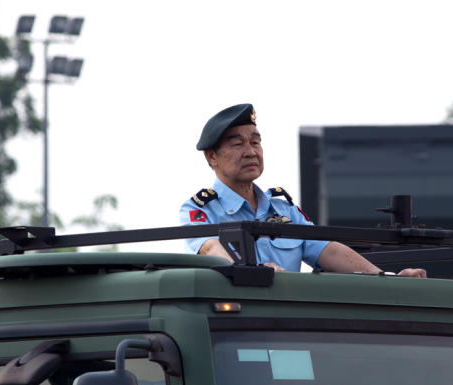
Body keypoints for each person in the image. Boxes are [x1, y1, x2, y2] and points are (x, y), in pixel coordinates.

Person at [179, 104, 426, 277]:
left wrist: (387, 277)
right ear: (212, 156)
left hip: (288, 322)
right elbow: (211, 250)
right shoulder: (200, 209)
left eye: (255, 142)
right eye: (237, 144)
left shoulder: (282, 207)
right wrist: (252, 272)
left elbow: (325, 249)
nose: (251, 151)